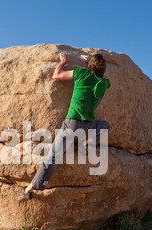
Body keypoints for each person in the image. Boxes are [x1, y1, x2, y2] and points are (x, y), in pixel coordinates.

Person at [23, 52, 111, 200]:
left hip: (72, 124)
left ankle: (31, 187)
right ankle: (87, 144)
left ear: (89, 66)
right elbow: (105, 78)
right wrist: (92, 63)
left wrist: (63, 62)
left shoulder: (81, 73)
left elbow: (56, 76)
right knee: (105, 126)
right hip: (89, 126)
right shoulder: (104, 82)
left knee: (53, 157)